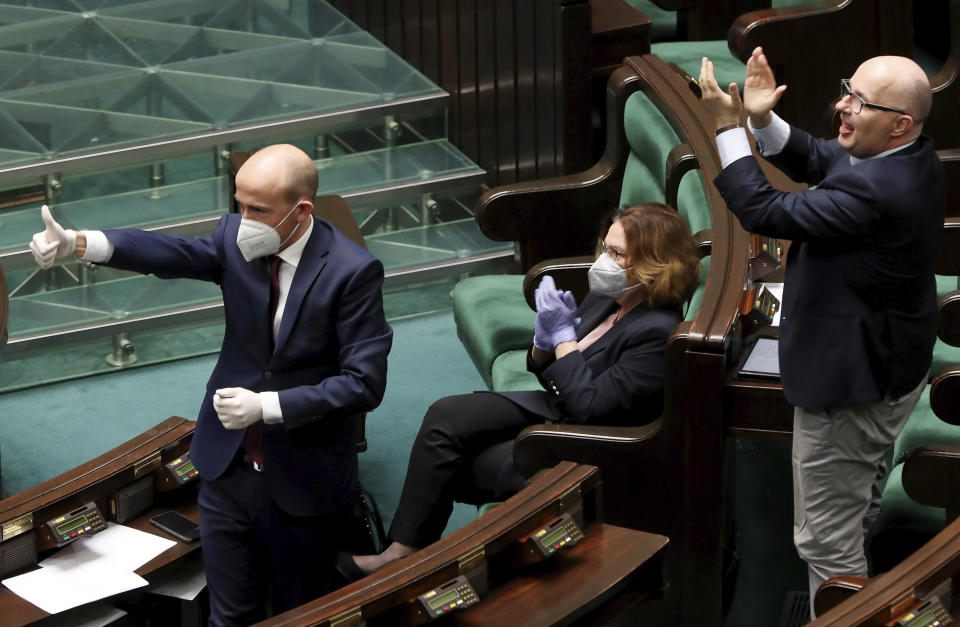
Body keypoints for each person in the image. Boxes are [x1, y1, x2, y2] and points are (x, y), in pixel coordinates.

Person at [29, 144, 393, 625]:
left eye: (258, 210)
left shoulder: (352, 271)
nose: (244, 220)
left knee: (298, 615)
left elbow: (364, 384)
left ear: (300, 211)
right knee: (228, 615)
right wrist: (81, 243)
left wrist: (267, 406)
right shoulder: (236, 239)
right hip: (227, 468)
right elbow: (172, 252)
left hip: (306, 477)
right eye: (239, 204)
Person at [699, 47, 944, 614]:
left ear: (899, 124)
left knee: (825, 543)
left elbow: (764, 210)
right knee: (854, 508)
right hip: (888, 363)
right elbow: (818, 156)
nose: (842, 106)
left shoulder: (879, 190)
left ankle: (844, 616)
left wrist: (729, 129)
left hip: (850, 386)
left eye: (859, 101)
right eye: (847, 90)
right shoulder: (907, 156)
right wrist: (761, 118)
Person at [339, 202, 701, 578]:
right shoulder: (610, 296)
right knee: (447, 414)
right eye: (604, 247)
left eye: (616, 253)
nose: (603, 261)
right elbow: (549, 371)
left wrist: (563, 339)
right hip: (559, 404)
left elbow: (592, 408)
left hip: (588, 439)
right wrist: (544, 344)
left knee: (461, 466)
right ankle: (403, 551)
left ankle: (413, 563)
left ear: (654, 265)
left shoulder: (657, 333)